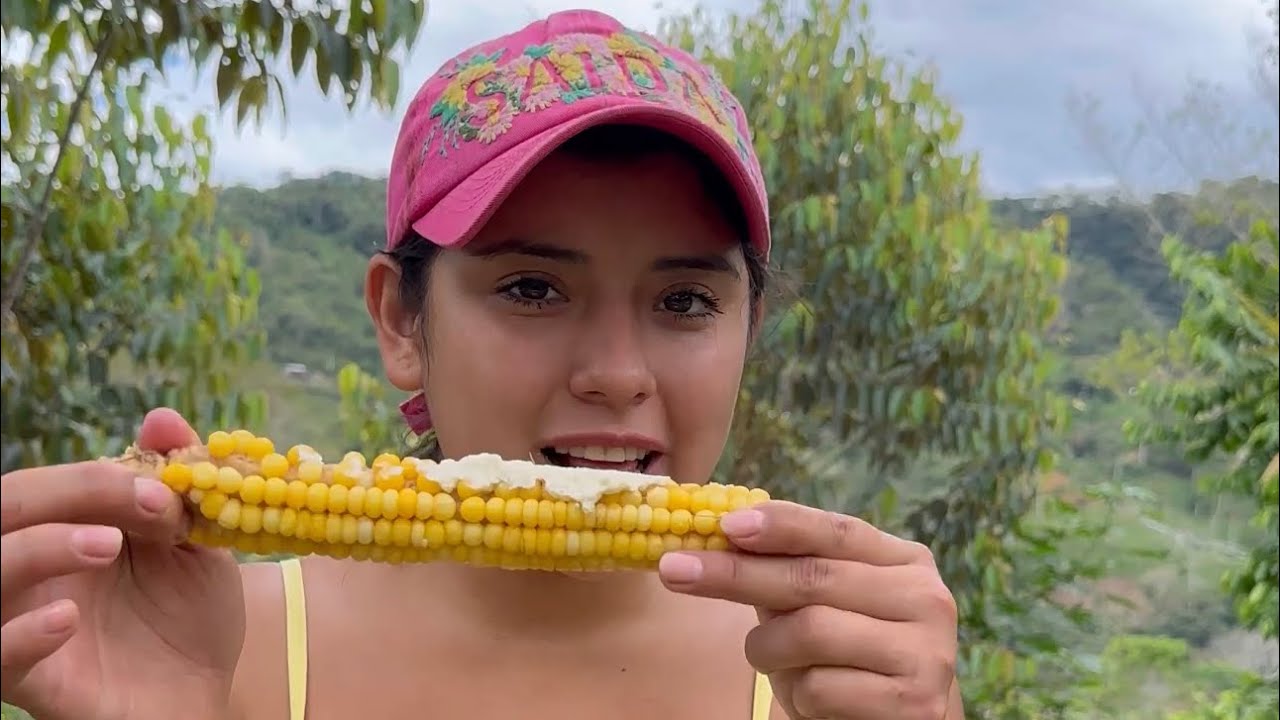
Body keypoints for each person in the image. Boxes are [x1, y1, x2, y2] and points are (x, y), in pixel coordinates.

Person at [0, 9, 962, 720]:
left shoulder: (836, 680)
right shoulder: (208, 654)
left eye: (684, 302)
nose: (618, 373)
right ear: (400, 321)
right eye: (532, 289)